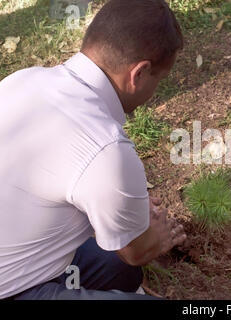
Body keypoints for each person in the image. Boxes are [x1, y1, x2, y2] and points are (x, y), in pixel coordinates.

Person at [0, 0, 186, 300]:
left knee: (115, 267)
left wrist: (125, 210)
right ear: (139, 73)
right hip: (12, 290)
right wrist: (157, 236)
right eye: (159, 81)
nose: (155, 92)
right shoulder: (105, 146)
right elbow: (136, 252)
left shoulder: (23, 80)